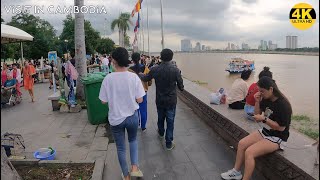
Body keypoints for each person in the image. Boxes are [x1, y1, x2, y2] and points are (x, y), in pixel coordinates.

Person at [221, 76, 292, 180]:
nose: (260, 93)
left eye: (262, 91)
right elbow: (256, 114)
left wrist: (264, 119)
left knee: (249, 152)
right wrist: (257, 101)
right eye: (259, 91)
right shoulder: (266, 98)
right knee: (242, 144)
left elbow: (281, 128)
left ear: (271, 89)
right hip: (266, 131)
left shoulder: (283, 105)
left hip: (278, 137)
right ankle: (236, 172)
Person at [99, 47, 144, 180]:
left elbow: (102, 101)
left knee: (121, 148)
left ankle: (126, 176)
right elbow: (140, 99)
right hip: (132, 117)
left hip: (116, 118)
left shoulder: (108, 78)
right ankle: (135, 167)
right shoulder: (133, 77)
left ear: (114, 61)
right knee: (133, 140)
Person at [140, 48, 184, 150]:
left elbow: (146, 78)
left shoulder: (155, 69)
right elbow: (181, 87)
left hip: (159, 99)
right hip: (171, 100)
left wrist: (138, 73)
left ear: (161, 57)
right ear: (171, 57)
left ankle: (160, 132)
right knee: (170, 121)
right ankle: (168, 143)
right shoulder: (176, 70)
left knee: (160, 117)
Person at [129, 52, 152, 132]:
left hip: (133, 93)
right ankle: (143, 127)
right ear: (140, 58)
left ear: (132, 59)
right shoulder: (145, 68)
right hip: (143, 92)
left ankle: (136, 124)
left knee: (135, 109)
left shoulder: (130, 70)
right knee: (143, 109)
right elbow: (149, 81)